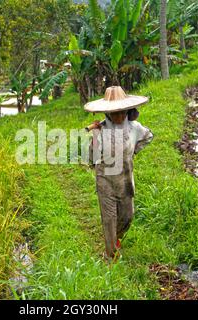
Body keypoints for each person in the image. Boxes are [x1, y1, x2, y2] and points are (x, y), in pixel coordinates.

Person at [85, 86, 154, 261]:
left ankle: (116, 240)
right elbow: (92, 158)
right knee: (109, 219)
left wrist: (134, 151)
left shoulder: (134, 128)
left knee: (127, 217)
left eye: (121, 112)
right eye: (114, 113)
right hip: (105, 180)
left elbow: (148, 137)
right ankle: (110, 257)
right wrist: (95, 136)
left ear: (127, 110)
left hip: (125, 179)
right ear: (107, 113)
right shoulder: (100, 130)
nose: (119, 116)